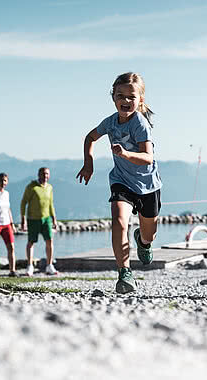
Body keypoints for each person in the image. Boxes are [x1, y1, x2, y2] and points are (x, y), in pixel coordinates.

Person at [76, 72, 162, 294]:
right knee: (119, 221)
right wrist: (88, 164)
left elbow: (148, 158)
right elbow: (90, 137)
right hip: (121, 181)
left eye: (131, 97)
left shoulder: (140, 124)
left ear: (140, 99)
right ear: (113, 98)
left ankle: (142, 243)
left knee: (148, 233)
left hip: (148, 185)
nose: (125, 101)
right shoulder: (110, 122)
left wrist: (124, 154)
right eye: (120, 96)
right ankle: (124, 273)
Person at [20, 167, 58, 276]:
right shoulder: (31, 187)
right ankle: (30, 266)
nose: (45, 176)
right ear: (39, 174)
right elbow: (23, 202)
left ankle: (49, 265)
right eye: (43, 174)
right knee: (31, 242)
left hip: (46, 219)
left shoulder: (50, 187)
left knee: (49, 241)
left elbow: (51, 204)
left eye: (47, 174)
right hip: (33, 219)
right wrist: (23, 218)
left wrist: (54, 218)